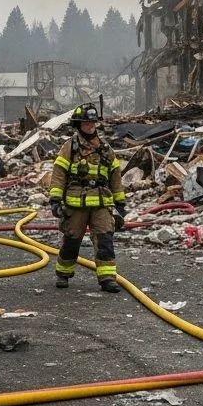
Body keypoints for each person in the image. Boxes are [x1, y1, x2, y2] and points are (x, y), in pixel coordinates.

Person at [48, 102, 126, 292]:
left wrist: (120, 203)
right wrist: (55, 200)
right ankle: (64, 273)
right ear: (78, 125)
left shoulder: (105, 149)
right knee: (72, 239)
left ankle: (107, 278)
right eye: (86, 124)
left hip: (102, 202)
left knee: (105, 239)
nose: (90, 127)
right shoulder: (70, 147)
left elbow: (115, 176)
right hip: (76, 203)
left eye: (92, 124)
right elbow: (59, 174)